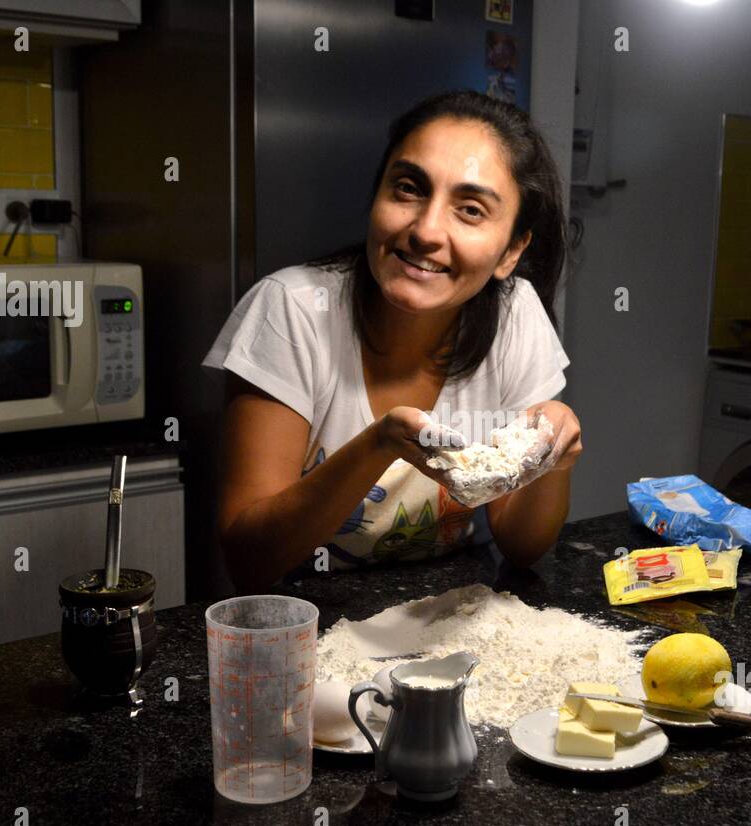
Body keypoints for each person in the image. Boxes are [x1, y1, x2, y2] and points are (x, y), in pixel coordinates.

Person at [203, 90, 581, 592]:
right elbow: (250, 560)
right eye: (407, 189)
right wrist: (379, 445)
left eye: (469, 210)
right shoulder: (290, 310)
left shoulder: (515, 313)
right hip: (304, 621)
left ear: (511, 250)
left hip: (449, 620)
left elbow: (522, 545)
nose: (426, 230)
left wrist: (552, 459)